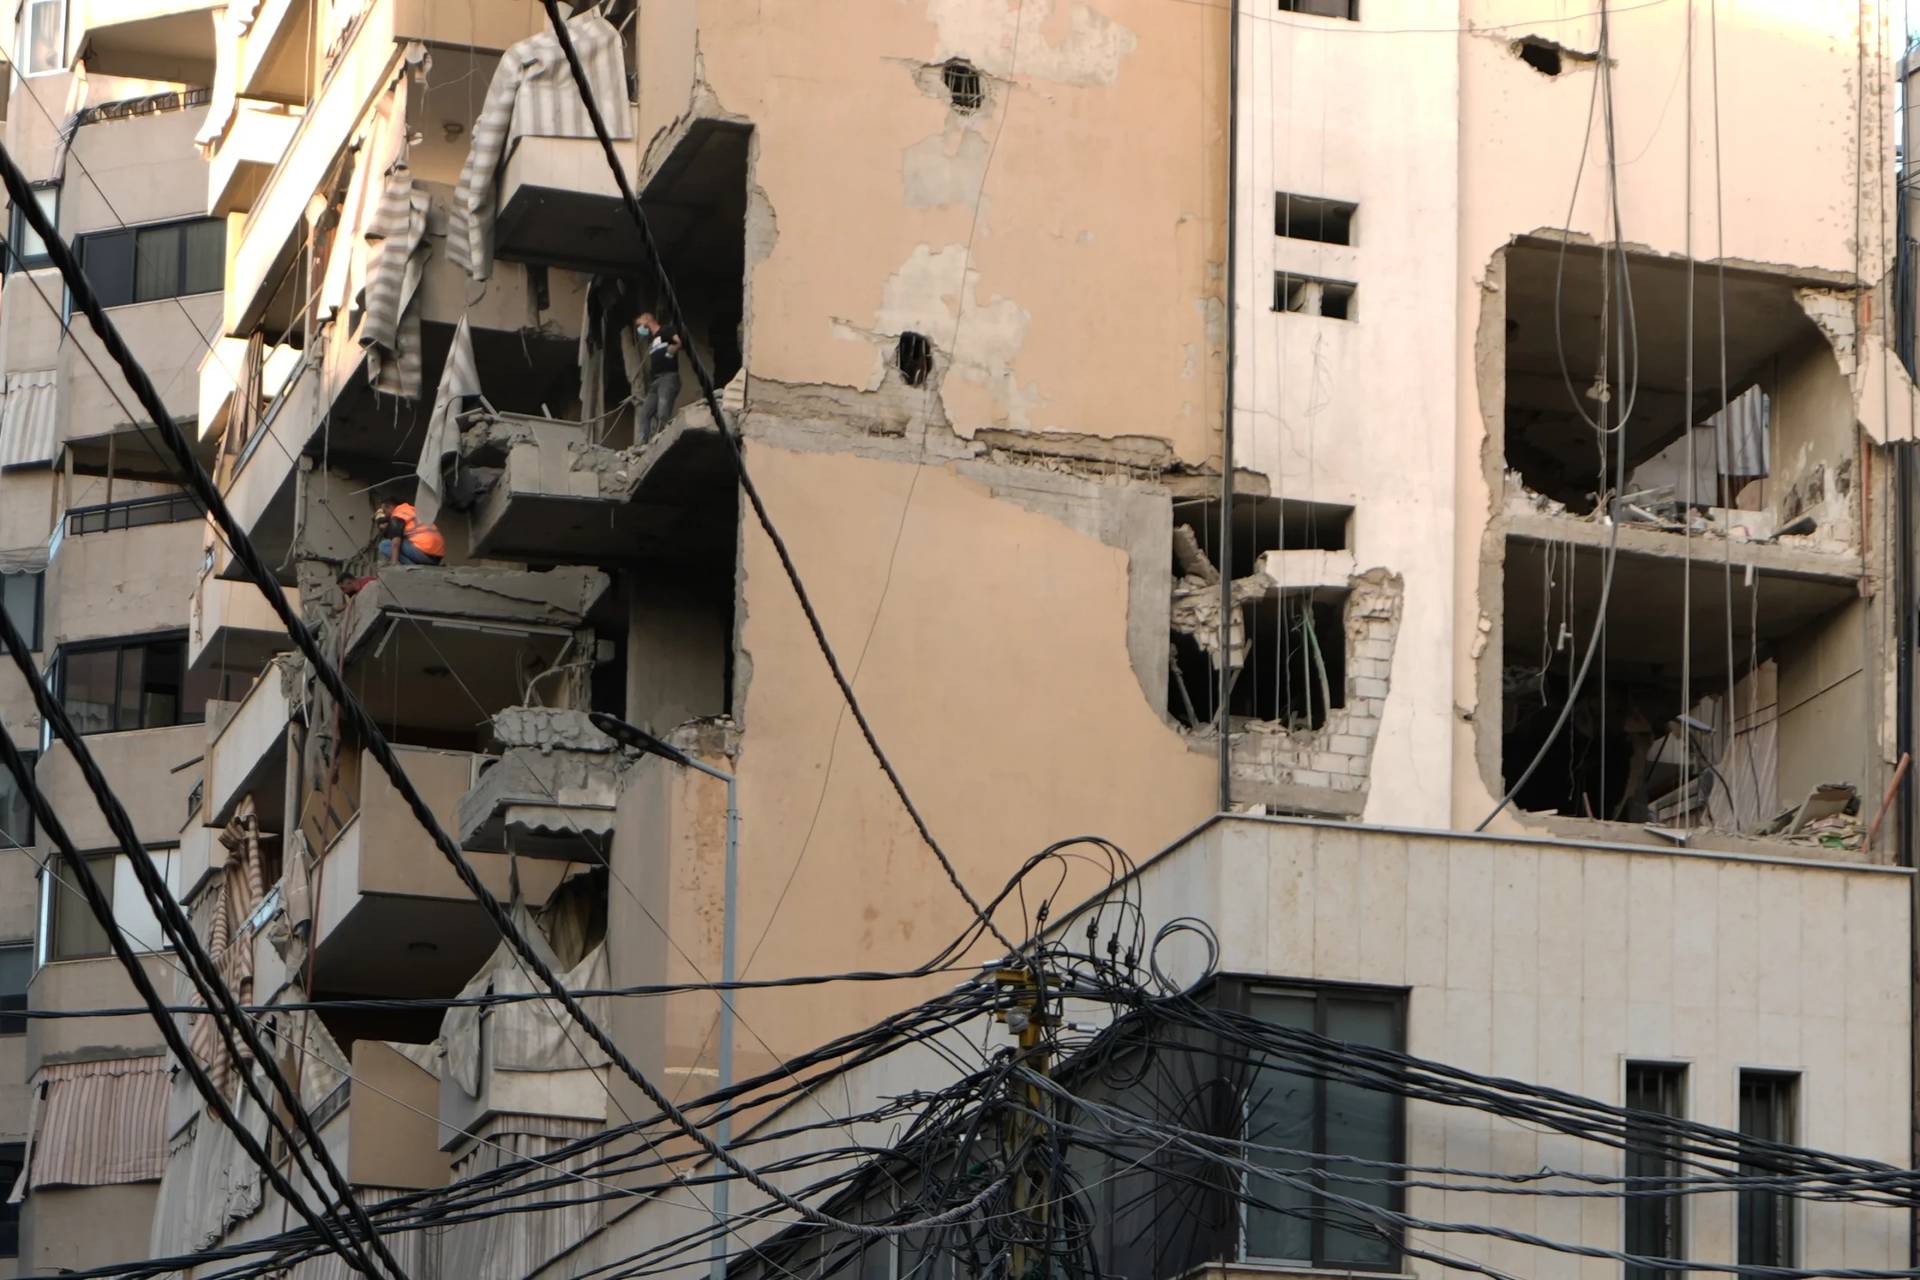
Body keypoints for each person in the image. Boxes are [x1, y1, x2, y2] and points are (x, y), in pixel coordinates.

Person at [635, 311, 682, 442]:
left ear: (646, 321)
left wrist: (669, 354)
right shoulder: (653, 340)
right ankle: (642, 445)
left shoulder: (665, 330)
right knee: (645, 414)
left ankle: (662, 442)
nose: (640, 329)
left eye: (640, 325)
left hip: (668, 378)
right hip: (655, 381)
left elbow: (678, 342)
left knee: (663, 412)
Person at [375, 500, 445, 565]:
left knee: (384, 545)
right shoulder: (411, 510)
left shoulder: (397, 515)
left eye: (384, 511)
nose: (385, 515)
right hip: (437, 557)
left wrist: (394, 561)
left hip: (425, 553)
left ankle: (411, 567)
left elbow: (396, 543)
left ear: (390, 507)